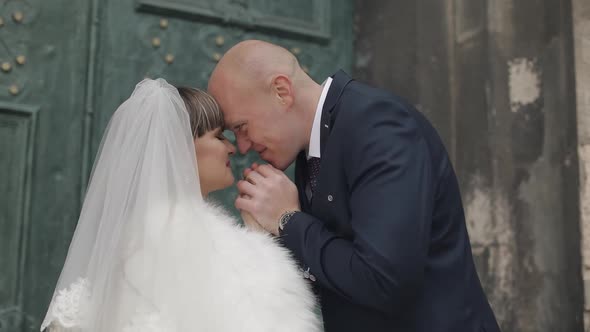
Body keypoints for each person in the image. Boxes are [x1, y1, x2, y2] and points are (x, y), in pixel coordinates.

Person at [208, 40, 501, 332]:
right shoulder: (308, 152)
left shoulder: (378, 125)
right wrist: (268, 241)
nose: (243, 147)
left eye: (242, 128)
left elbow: (384, 280)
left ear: (281, 92)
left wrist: (288, 221)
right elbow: (337, 275)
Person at [40, 78, 320, 332]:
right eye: (219, 136)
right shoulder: (190, 236)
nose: (233, 148)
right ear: (181, 144)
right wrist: (276, 229)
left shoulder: (141, 230)